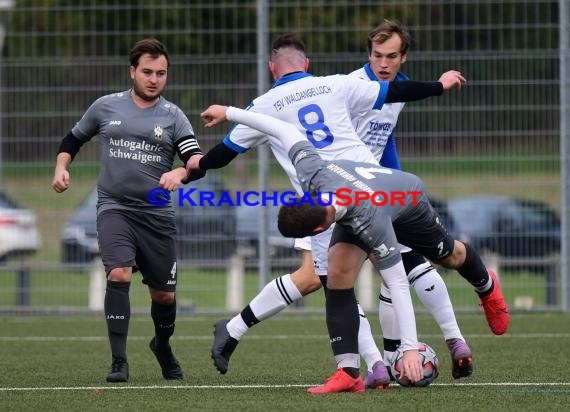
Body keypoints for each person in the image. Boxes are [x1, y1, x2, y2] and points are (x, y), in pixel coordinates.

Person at [198, 30, 492, 387]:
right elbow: (397, 94)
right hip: (363, 190)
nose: (384, 64)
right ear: (306, 63)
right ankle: (378, 363)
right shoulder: (337, 84)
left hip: (366, 198)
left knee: (386, 270)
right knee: (331, 277)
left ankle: (402, 353)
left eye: (391, 57)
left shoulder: (271, 110)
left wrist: (195, 161)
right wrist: (438, 86)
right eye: (378, 56)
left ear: (270, 67)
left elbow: (248, 139)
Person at [51, 38, 204, 383]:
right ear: (132, 71)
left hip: (157, 216)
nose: (154, 79)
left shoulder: (174, 116)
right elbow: (72, 140)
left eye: (161, 73)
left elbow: (196, 162)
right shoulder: (106, 107)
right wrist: (61, 167)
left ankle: (162, 345)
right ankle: (119, 361)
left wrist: (181, 172)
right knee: (118, 273)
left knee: (163, 294)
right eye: (147, 72)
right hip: (115, 208)